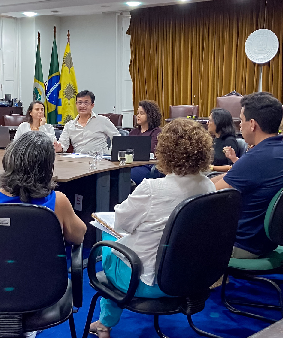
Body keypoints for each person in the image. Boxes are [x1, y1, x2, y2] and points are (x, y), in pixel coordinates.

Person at [89, 118, 215, 338]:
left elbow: (121, 224)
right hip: (189, 278)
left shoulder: (151, 189)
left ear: (164, 150)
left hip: (146, 282)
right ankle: (104, 322)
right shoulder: (209, 185)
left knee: (108, 246)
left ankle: (105, 323)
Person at [0, 131, 86, 244]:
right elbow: (78, 236)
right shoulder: (58, 202)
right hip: (41, 265)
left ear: (9, 159)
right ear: (48, 168)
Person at [212, 92, 283, 259]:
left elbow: (209, 192)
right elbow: (232, 175)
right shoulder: (276, 149)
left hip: (243, 244)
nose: (239, 125)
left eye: (241, 120)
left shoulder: (255, 158)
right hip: (270, 239)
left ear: (252, 124)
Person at [53, 90, 120, 154]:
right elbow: (63, 144)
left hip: (100, 160)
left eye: (86, 102)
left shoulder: (103, 121)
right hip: (79, 160)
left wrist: (111, 154)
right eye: (80, 102)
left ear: (92, 105)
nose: (82, 106)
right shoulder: (69, 125)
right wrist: (59, 148)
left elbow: (117, 138)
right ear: (76, 104)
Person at [129, 100, 162, 184]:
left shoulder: (156, 132)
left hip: (147, 166)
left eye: (141, 113)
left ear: (150, 115)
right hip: (130, 164)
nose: (138, 116)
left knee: (126, 176)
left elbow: (152, 150)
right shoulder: (133, 132)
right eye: (137, 113)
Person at [207, 108, 239, 172]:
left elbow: (232, 166)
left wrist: (211, 167)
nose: (207, 123)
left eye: (210, 121)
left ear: (218, 122)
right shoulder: (215, 139)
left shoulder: (229, 141)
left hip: (221, 175)